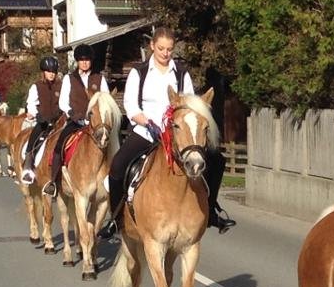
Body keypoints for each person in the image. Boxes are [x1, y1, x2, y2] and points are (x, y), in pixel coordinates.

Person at [98, 27, 234, 239]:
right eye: (161, 48)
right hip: (146, 131)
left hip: (177, 133)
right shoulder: (139, 72)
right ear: (152, 46)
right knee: (117, 166)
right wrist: (148, 122)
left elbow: (189, 104)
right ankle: (116, 219)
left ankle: (211, 211)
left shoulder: (181, 74)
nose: (165, 53)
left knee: (217, 161)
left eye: (169, 49)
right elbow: (131, 105)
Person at [43, 43, 109, 197]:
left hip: (97, 123)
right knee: (59, 145)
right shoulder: (69, 78)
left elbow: (106, 99)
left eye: (87, 60)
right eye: (82, 60)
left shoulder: (99, 78)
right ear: (77, 61)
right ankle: (53, 181)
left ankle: (113, 181)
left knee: (113, 144)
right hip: (76, 122)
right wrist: (74, 114)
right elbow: (63, 102)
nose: (85, 63)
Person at [19, 56, 62, 184]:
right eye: (49, 71)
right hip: (43, 121)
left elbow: (65, 100)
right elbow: (31, 103)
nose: (51, 74)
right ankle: (28, 163)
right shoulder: (36, 86)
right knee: (35, 135)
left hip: (58, 120)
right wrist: (36, 114)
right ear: (43, 72)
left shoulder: (61, 85)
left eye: (53, 71)